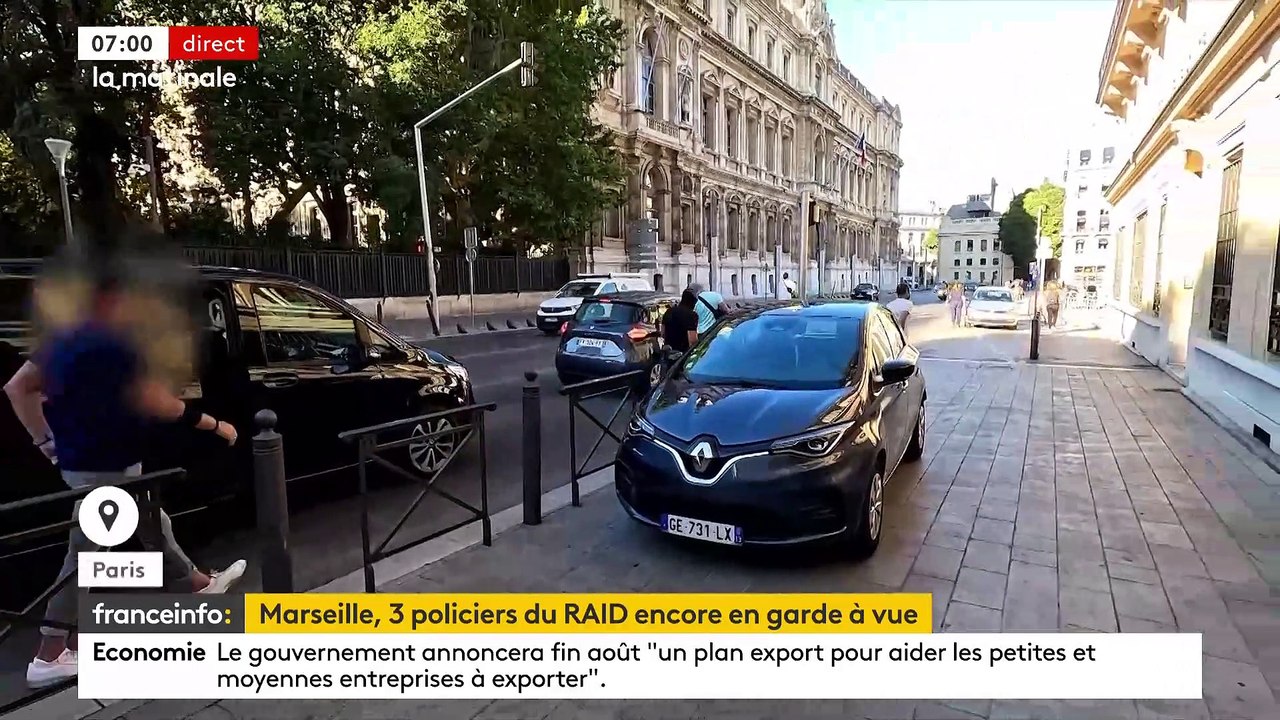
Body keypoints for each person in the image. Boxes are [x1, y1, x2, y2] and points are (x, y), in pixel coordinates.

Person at [4, 266, 247, 688]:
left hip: (83, 461)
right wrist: (214, 424)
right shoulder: (117, 344)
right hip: (107, 463)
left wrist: (42, 441)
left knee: (152, 521)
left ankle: (199, 585)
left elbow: (17, 388)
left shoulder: (65, 340)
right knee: (83, 556)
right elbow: (157, 402)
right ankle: (50, 653)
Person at [661, 289, 701, 353]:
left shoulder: (669, 311)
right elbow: (692, 341)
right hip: (683, 354)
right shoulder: (692, 315)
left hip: (668, 352)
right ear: (693, 302)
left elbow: (662, 333)